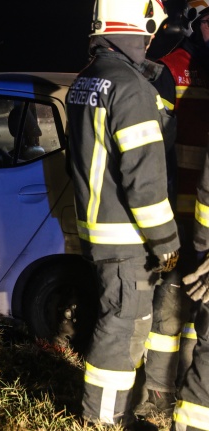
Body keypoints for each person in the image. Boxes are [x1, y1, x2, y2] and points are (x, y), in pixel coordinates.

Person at [66, 1, 180, 429]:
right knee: (123, 327)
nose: (153, 39)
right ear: (140, 25)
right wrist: (167, 241)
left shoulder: (88, 79)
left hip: (98, 229)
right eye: (152, 30)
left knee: (117, 318)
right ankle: (105, 420)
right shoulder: (130, 88)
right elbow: (144, 180)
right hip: (127, 237)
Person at [138, 0, 209, 417]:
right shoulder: (169, 69)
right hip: (174, 217)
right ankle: (157, 397)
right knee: (168, 307)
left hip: (205, 223)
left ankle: (192, 389)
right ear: (194, 23)